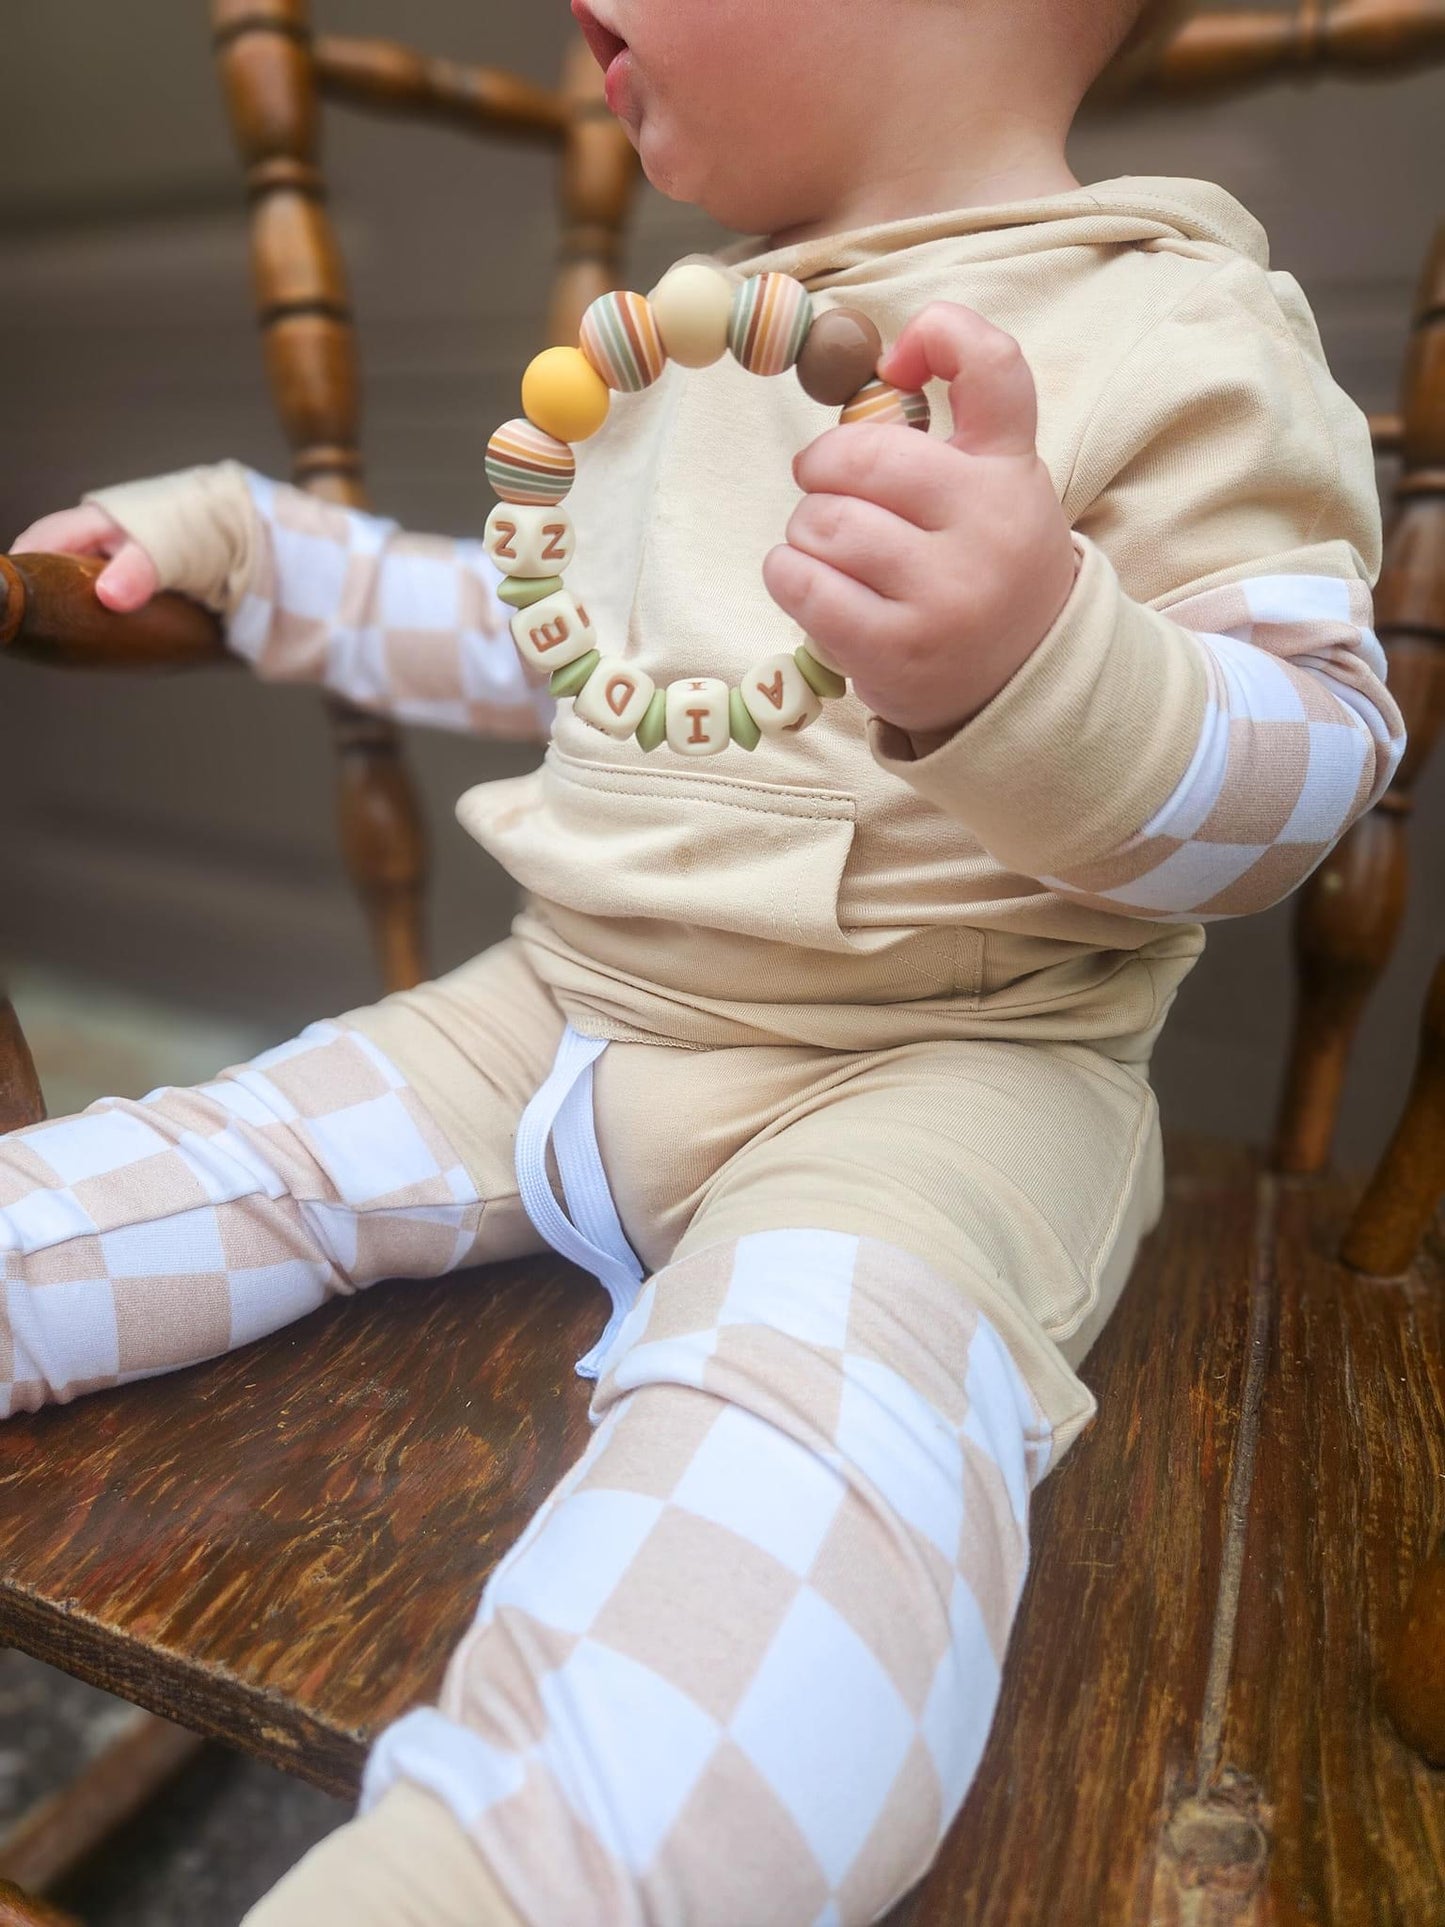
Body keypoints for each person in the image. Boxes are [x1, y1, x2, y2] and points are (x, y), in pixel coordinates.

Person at [4, 0, 1404, 1919]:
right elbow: (535, 635)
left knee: (813, 1426)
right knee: (230, 1152)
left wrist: (1041, 657)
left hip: (932, 1081)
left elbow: (1306, 779)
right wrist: (260, 554)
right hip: (557, 1014)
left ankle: (507, 1876)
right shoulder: (684, 342)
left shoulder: (1170, 334)